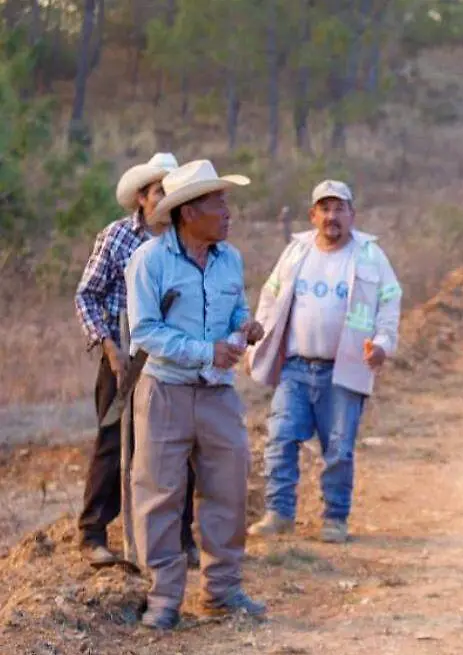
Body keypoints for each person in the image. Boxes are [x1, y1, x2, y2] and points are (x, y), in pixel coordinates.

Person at [124, 158, 266, 630]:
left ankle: (222, 591)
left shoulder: (230, 259)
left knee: (228, 486)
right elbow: (146, 332)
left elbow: (236, 308)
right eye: (218, 203)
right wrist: (208, 351)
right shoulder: (149, 261)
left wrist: (245, 326)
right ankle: (164, 599)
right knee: (160, 494)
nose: (228, 212)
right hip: (164, 391)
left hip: (217, 393)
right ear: (188, 212)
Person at [245, 180, 402, 544]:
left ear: (352, 215)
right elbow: (270, 298)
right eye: (325, 209)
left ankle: (334, 518)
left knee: (339, 449)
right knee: (280, 438)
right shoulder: (296, 252)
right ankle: (279, 513)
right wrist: (257, 346)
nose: (332, 216)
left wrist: (383, 344)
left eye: (339, 209)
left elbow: (390, 301)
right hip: (296, 367)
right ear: (312, 215)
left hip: (345, 369)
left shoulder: (370, 256)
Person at [72, 151, 200, 569]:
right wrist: (108, 346)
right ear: (142, 198)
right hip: (123, 358)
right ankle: (93, 533)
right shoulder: (117, 237)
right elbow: (87, 295)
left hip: (172, 359)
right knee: (113, 442)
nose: (166, 199)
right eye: (159, 191)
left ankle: (179, 538)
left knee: (175, 447)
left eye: (172, 192)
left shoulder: (187, 239)